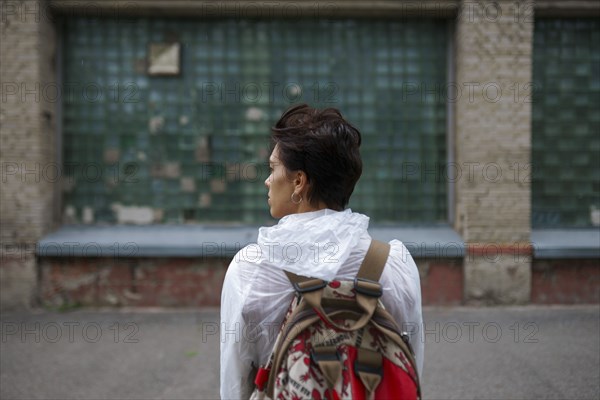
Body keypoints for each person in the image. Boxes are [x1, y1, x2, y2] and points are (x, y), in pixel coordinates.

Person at [220, 104, 423, 399]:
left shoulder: (251, 269)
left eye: (273, 168)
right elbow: (409, 368)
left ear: (299, 181)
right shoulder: (395, 264)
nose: (267, 180)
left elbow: (235, 383)